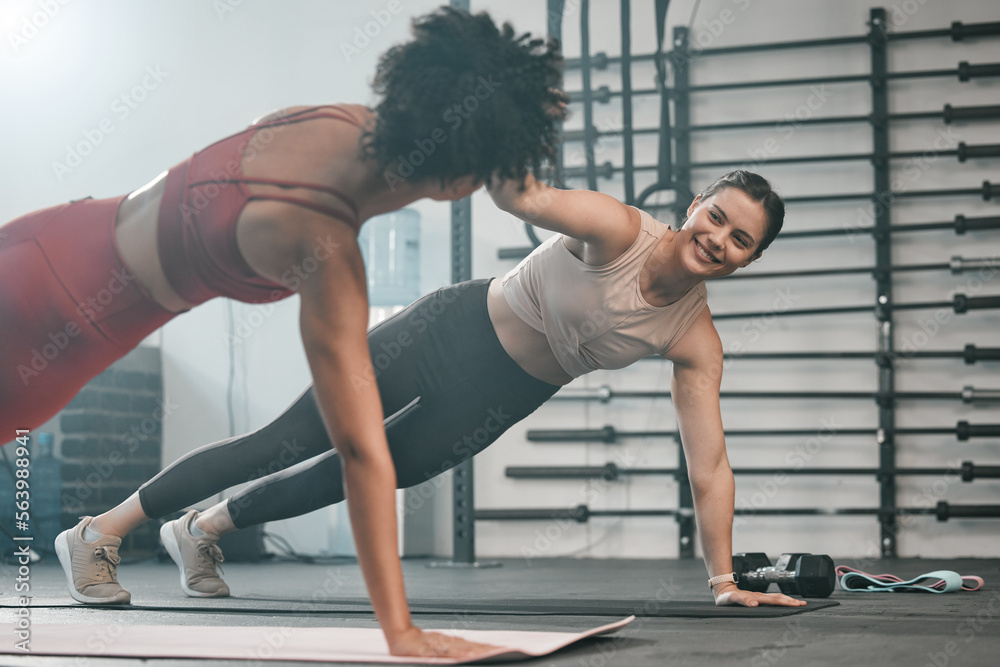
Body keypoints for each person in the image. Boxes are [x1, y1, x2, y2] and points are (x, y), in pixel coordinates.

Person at [2, 7, 565, 660]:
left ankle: (94, 536)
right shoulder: (323, 247)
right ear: (463, 183)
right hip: (58, 331)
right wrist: (401, 632)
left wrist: (504, 103)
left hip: (42, 239)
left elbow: (469, 93)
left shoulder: (336, 119)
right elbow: (362, 455)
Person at [64, 169, 801, 618]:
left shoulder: (694, 339)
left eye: (740, 240)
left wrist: (724, 578)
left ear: (750, 260)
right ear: (697, 202)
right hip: (444, 332)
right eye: (718, 216)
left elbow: (709, 467)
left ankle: (203, 529)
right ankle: (100, 530)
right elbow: (531, 197)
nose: (719, 238)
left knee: (363, 471)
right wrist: (500, 146)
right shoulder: (618, 229)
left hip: (502, 395)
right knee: (287, 439)